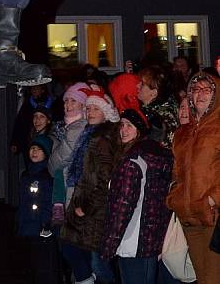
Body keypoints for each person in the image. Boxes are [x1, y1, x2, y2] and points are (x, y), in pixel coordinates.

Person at [100, 109, 173, 284]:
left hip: (132, 240)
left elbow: (122, 207)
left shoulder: (133, 162)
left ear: (140, 131)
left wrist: (108, 245)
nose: (123, 130)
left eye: (129, 126)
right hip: (150, 241)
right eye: (122, 125)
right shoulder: (155, 158)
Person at [60, 89, 120, 284]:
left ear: (106, 113)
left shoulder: (102, 139)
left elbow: (104, 179)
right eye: (89, 108)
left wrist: (85, 206)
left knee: (98, 262)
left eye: (96, 109)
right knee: (77, 250)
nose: (91, 112)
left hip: (95, 210)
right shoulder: (91, 134)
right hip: (87, 204)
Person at [166, 72, 220, 284]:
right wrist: (175, 198)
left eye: (207, 90)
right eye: (196, 90)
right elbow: (176, 171)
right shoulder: (182, 132)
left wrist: (213, 198)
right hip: (188, 216)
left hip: (213, 217)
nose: (200, 95)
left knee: (213, 278)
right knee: (202, 278)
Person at [16, 135, 60, 284]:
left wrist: (46, 223)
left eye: (39, 149)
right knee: (33, 264)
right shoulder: (26, 175)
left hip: (42, 228)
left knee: (46, 265)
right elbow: (23, 202)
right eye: (32, 148)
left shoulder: (47, 177)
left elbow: (48, 202)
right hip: (29, 226)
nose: (34, 151)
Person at [48, 82, 89, 224]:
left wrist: (50, 164)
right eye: (66, 100)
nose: (68, 105)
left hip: (73, 187)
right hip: (67, 185)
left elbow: (60, 159)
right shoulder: (64, 127)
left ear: (83, 105)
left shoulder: (79, 127)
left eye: (73, 101)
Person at [11, 84, 54, 167]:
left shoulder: (52, 138)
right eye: (32, 88)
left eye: (36, 88)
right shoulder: (26, 104)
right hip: (28, 138)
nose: (37, 120)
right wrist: (15, 141)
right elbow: (19, 123)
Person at [136, 65, 179, 148]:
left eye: (142, 84)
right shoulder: (151, 110)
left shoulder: (159, 117)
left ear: (154, 93)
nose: (137, 86)